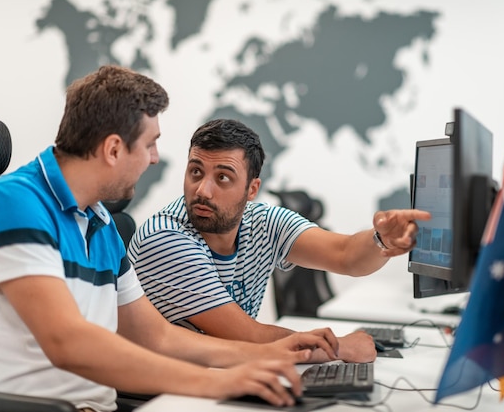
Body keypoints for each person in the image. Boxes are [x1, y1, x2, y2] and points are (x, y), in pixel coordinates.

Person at [0, 66, 341, 412]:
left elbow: (157, 336)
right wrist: (219, 382)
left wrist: (274, 352)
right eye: (149, 144)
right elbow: (68, 342)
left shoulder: (99, 222)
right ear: (113, 149)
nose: (154, 159)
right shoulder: (14, 203)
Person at [128, 118, 432, 363]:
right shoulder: (166, 240)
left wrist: (381, 240)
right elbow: (245, 336)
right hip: (165, 397)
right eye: (196, 171)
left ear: (252, 189)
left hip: (223, 378)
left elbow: (345, 255)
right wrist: (338, 348)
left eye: (222, 178)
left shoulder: (263, 222)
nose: (203, 190)